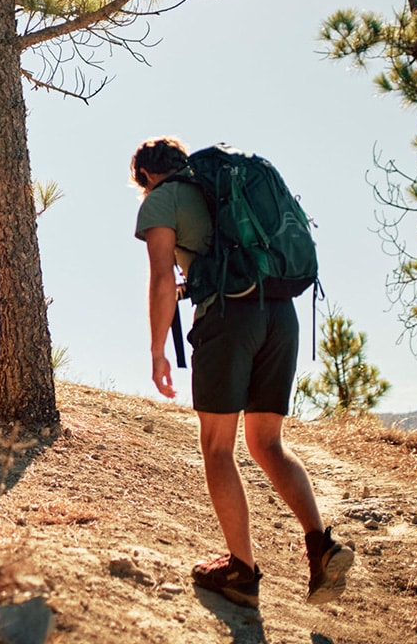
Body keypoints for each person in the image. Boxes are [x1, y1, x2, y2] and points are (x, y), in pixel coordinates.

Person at [130, 136, 354, 609]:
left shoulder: (162, 200)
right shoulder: (221, 187)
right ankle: (321, 546)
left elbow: (162, 278)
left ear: (145, 176)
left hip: (230, 317)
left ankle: (242, 571)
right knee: (267, 443)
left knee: (216, 447)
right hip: (280, 313)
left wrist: (157, 351)